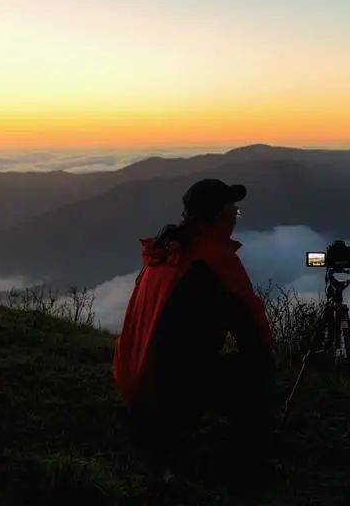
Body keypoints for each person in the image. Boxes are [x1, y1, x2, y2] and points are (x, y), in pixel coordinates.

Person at [113, 178, 275, 481]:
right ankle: (243, 467)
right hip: (164, 393)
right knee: (259, 369)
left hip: (132, 381)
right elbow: (255, 335)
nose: (234, 220)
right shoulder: (214, 262)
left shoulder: (165, 252)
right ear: (217, 218)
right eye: (232, 213)